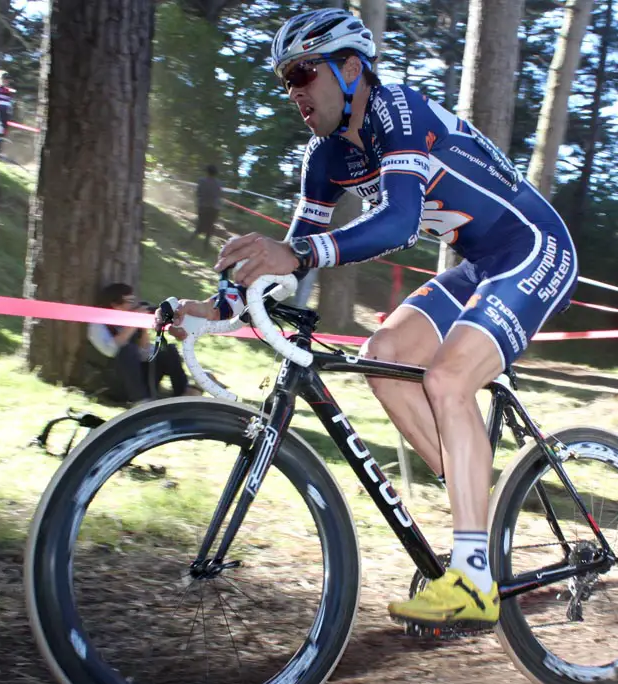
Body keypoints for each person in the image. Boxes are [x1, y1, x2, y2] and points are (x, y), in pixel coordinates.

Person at [164, 9, 579, 630]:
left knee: (445, 380)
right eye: (286, 80)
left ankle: (470, 573)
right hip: (477, 264)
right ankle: (483, 530)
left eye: (304, 71)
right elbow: (293, 258)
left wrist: (299, 252)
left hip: (534, 250)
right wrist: (214, 308)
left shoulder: (398, 111)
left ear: (352, 68)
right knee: (384, 358)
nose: (295, 90)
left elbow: (399, 222)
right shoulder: (323, 158)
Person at [88, 283, 190, 405]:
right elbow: (111, 351)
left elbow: (144, 352)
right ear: (115, 304)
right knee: (127, 350)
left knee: (168, 350)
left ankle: (184, 395)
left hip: (139, 377)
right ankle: (140, 401)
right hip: (115, 381)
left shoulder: (127, 319)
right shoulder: (98, 324)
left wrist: (143, 328)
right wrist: (132, 323)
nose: (133, 304)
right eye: (129, 301)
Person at [193, 164, 223, 248]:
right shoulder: (219, 183)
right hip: (215, 208)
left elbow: (198, 193)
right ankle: (205, 245)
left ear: (207, 172)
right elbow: (220, 195)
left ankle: (189, 241)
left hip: (203, 206)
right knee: (210, 226)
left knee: (200, 224)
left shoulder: (201, 180)